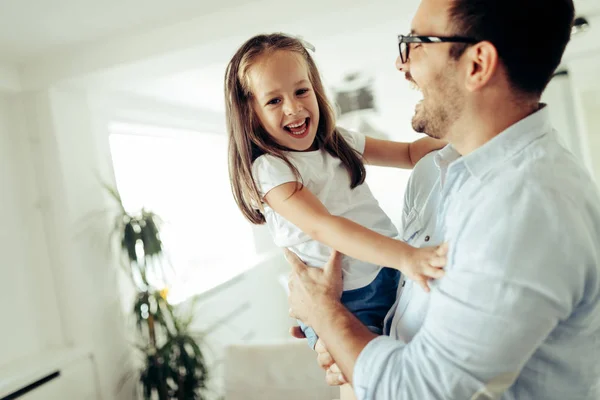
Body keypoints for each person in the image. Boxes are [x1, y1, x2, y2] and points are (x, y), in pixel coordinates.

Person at [286, 0, 600, 398]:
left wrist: (324, 313)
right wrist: (346, 339)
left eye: (415, 44)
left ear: (477, 64)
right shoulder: (432, 175)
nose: (401, 66)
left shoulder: (530, 206)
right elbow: (411, 310)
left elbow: (417, 391)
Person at [224, 33, 447, 353]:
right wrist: (407, 257)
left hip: (391, 277)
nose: (293, 108)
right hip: (347, 301)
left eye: (301, 91)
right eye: (274, 100)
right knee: (365, 380)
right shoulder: (271, 169)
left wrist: (462, 133)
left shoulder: (338, 141)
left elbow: (411, 154)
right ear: (250, 113)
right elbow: (322, 226)